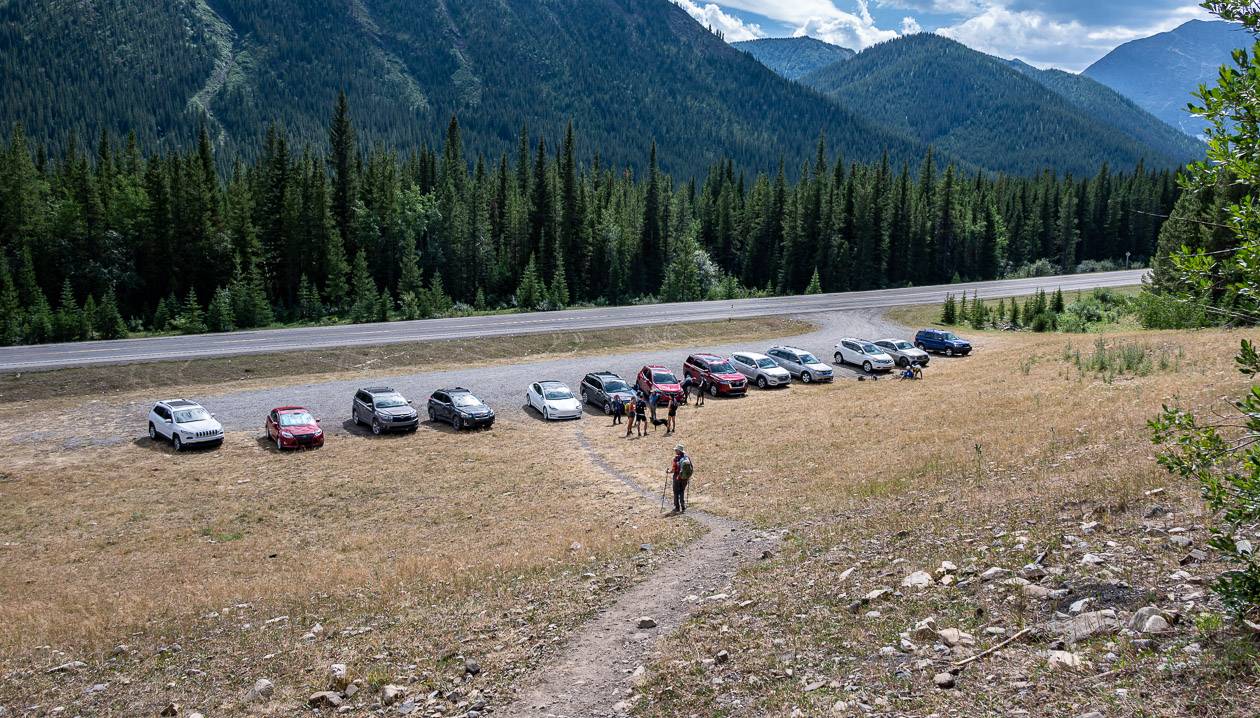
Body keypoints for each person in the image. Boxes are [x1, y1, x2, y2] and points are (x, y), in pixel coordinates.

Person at [668, 444, 693, 514]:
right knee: (682, 490)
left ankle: (677, 507)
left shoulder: (676, 459)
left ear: (679, 451)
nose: (675, 451)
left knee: (676, 492)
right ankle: (683, 505)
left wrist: (668, 472)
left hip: (677, 477)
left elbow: (673, 470)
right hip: (685, 478)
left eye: (676, 450)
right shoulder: (687, 458)